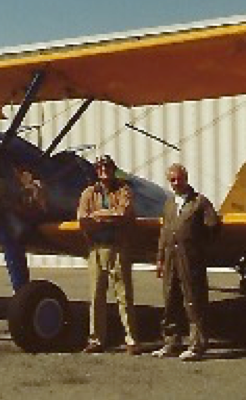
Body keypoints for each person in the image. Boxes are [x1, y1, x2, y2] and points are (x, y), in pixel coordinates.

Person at [153, 163, 221, 361]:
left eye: (179, 179)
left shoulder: (200, 202)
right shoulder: (169, 204)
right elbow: (164, 232)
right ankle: (171, 342)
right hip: (170, 257)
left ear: (186, 178)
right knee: (170, 299)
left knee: (193, 300)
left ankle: (197, 345)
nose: (176, 183)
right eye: (172, 180)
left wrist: (197, 247)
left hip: (190, 258)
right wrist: (160, 258)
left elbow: (213, 227)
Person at [76, 155, 140, 355]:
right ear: (96, 171)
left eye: (107, 167)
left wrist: (98, 215)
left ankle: (131, 339)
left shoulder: (124, 190)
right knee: (96, 295)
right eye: (100, 167)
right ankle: (96, 339)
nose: (104, 170)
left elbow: (123, 214)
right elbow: (82, 218)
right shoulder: (88, 192)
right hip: (96, 249)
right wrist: (108, 215)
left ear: (113, 169)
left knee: (123, 295)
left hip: (118, 248)